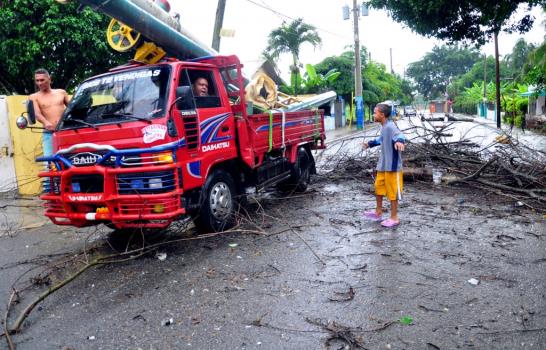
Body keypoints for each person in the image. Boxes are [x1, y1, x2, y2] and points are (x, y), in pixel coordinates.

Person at [362, 103, 406, 228]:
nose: (373, 114)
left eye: (375, 112)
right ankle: (378, 212)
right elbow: (380, 140)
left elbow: (400, 135)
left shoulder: (391, 126)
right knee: (379, 187)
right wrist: (369, 144)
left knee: (393, 192)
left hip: (392, 166)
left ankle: (394, 217)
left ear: (382, 115)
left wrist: (399, 141)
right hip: (383, 165)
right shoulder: (384, 127)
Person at [30, 68, 69, 191]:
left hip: (65, 132)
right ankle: (50, 193)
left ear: (49, 79)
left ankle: (71, 188)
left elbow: (72, 109)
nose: (40, 83)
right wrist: (46, 123)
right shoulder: (34, 97)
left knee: (69, 160)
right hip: (48, 134)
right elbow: (36, 113)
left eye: (42, 80)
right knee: (49, 163)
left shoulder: (61, 93)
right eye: (37, 81)